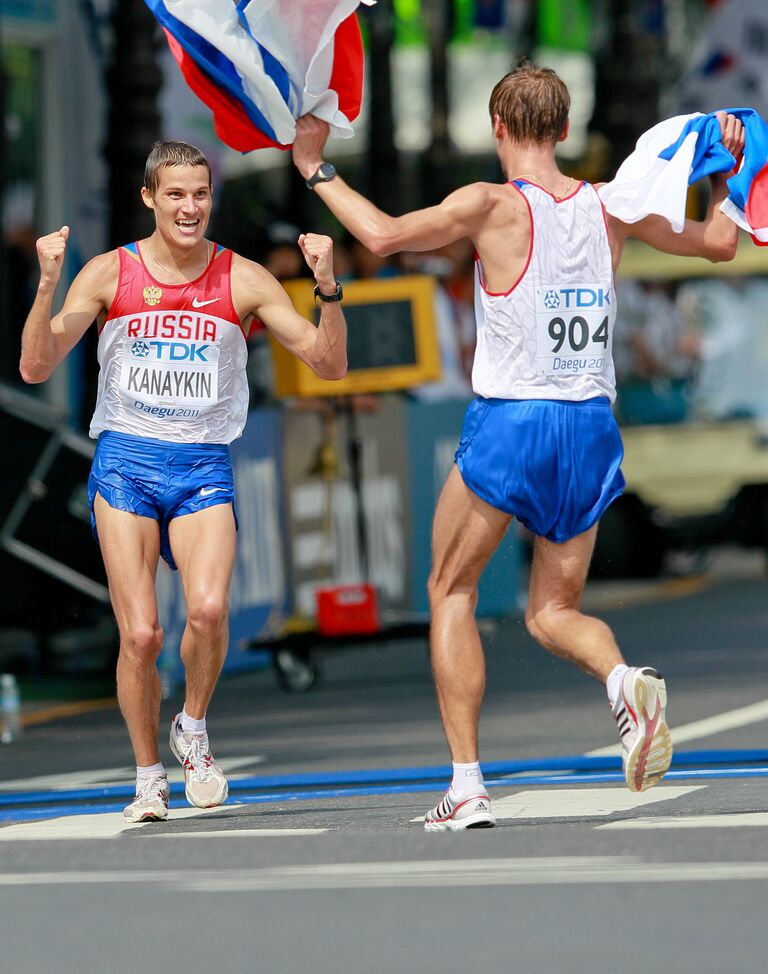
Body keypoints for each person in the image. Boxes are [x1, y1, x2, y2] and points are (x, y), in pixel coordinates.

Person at [291, 60, 743, 830]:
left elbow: (382, 235)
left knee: (451, 590)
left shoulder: (489, 203)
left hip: (515, 419)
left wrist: (314, 166)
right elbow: (720, 245)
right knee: (552, 610)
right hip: (591, 426)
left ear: (498, 129)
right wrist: (725, 171)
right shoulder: (613, 204)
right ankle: (621, 680)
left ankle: (467, 784)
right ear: (564, 131)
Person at [20, 140, 347, 823]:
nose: (190, 207)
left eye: (200, 193)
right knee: (140, 635)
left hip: (201, 463)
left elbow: (328, 364)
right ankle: (146, 775)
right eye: (175, 194)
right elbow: (37, 367)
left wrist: (326, 288)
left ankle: (192, 727)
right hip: (127, 465)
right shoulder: (112, 273)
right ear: (150, 198)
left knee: (207, 612)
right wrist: (48, 281)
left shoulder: (244, 278)